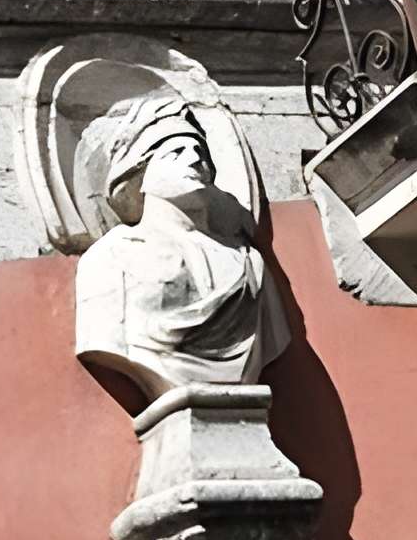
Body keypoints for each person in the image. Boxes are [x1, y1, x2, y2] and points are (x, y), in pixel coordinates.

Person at [71, 92, 285, 401]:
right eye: (176, 151)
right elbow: (103, 334)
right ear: (139, 172)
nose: (195, 158)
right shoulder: (109, 259)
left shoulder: (249, 263)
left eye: (200, 150)